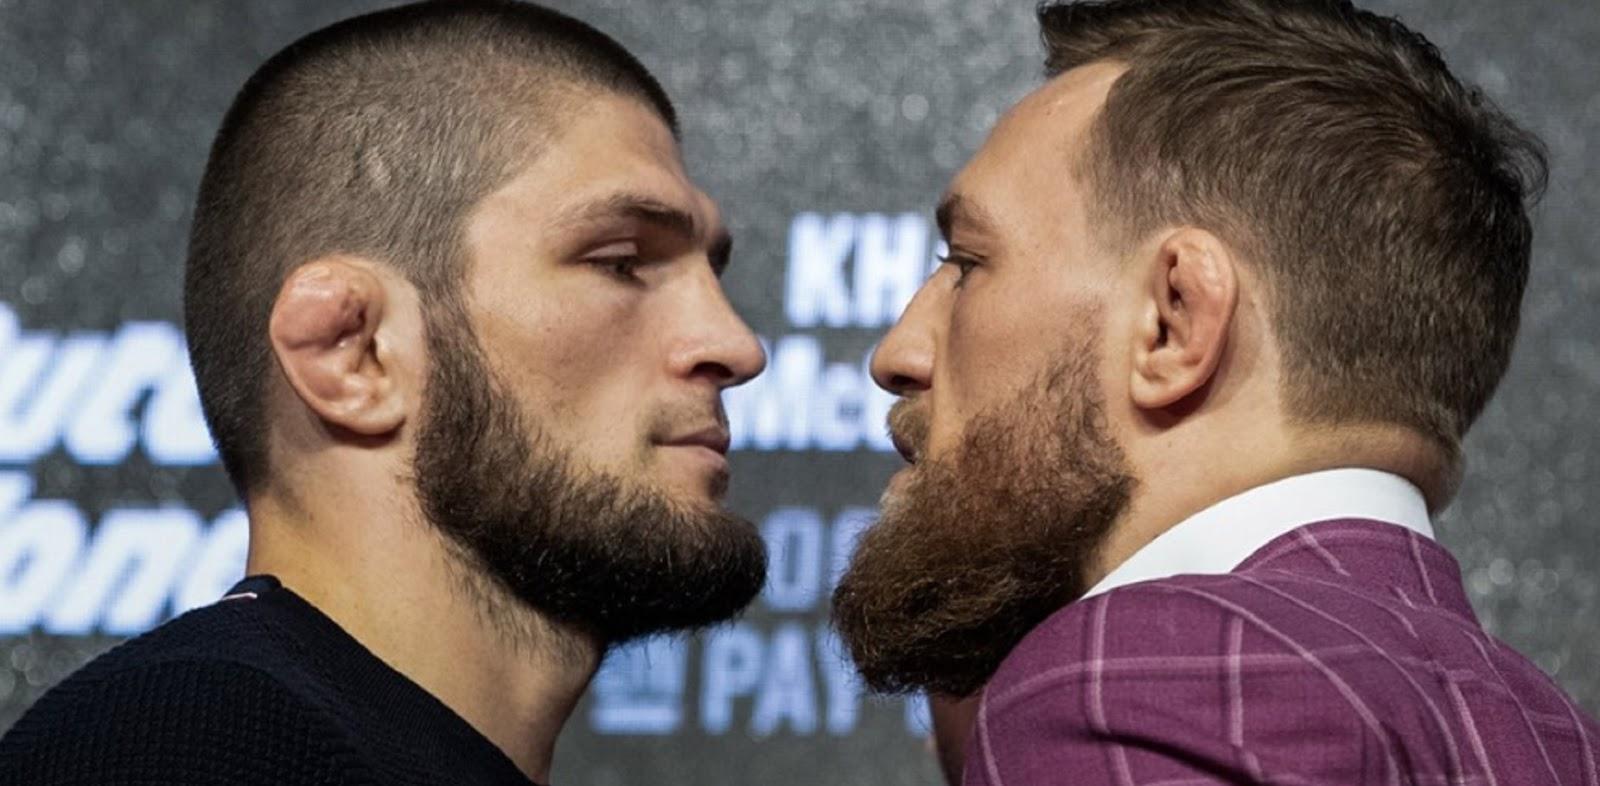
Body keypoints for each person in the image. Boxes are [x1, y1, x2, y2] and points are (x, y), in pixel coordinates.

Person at [832, 0, 1600, 783]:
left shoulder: (1129, 684)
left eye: (966, 264)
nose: (898, 354)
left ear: (1174, 322)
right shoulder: (1555, 733)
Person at [0, 2, 767, 784]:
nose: (736, 345)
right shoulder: (188, 746)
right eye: (621, 261)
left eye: (712, 271)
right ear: (352, 352)